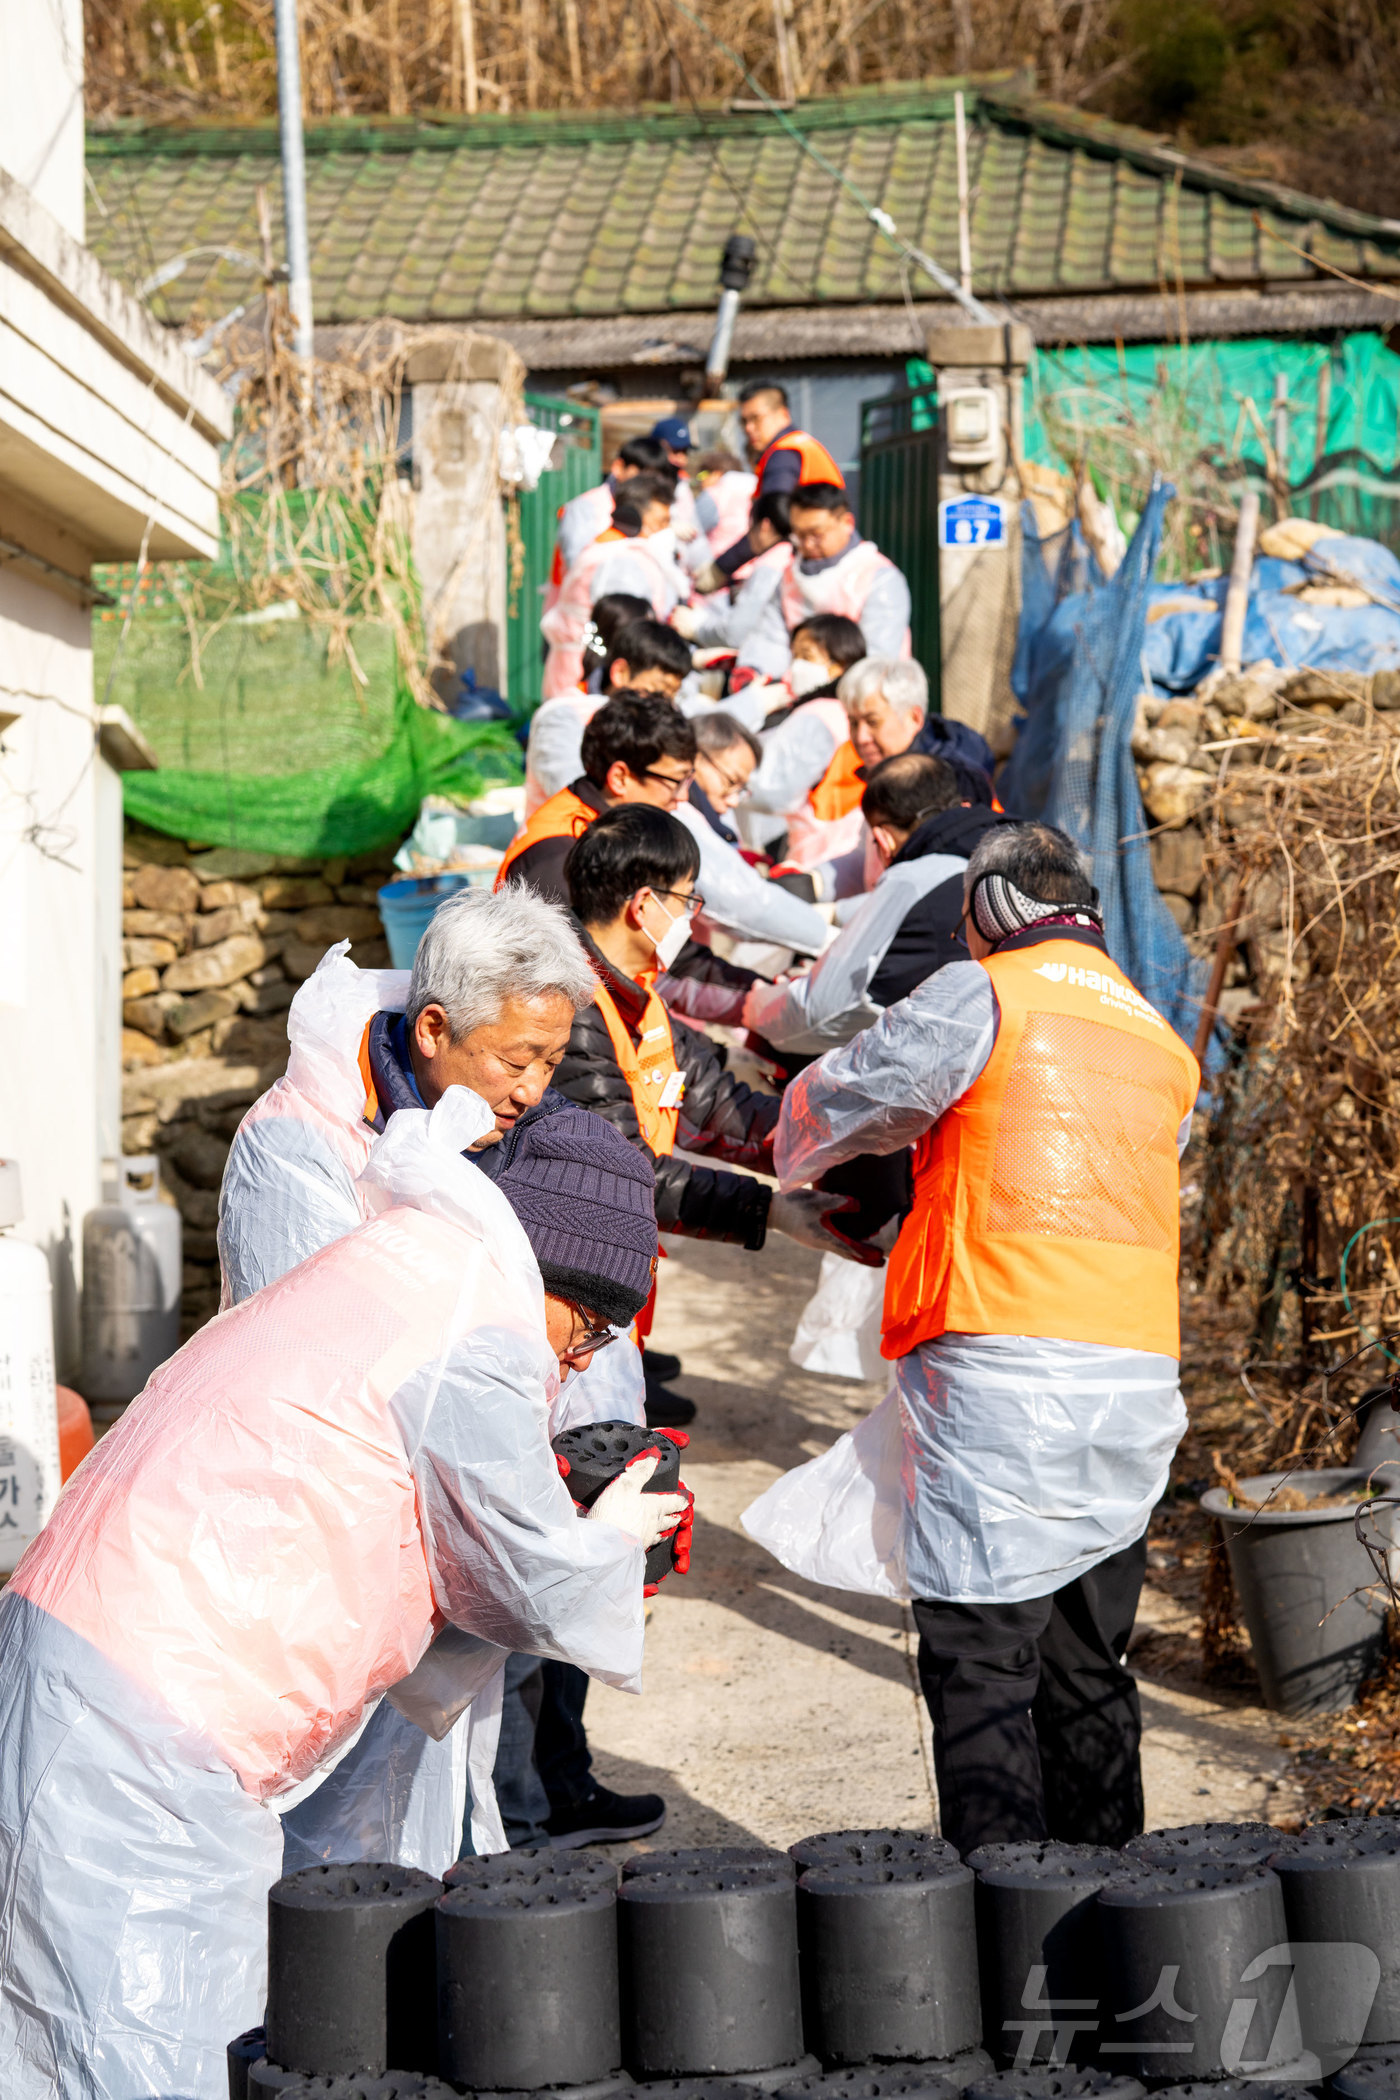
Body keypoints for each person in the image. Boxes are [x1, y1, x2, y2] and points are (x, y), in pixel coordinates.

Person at [0, 1084, 686, 2096]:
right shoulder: (478, 1327)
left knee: (77, 2020)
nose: (576, 1360)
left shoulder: (403, 1264)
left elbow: (434, 1563)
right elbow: (527, 1584)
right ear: (548, 1268)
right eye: (585, 1330)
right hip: (149, 1708)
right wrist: (609, 1540)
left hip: (98, 1651)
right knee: (145, 2045)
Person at [758, 822, 1200, 1855]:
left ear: (987, 915)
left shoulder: (987, 991)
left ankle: (1005, 1931)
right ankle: (1109, 1909)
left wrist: (794, 1149)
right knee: (1089, 1660)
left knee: (981, 1656)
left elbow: (847, 1099)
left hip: (999, 1365)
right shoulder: (1156, 1036)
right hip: (1131, 1382)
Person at [741, 751, 1009, 1054]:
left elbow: (818, 1013)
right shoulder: (1014, 851)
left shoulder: (909, 880)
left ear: (882, 840)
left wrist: (758, 1006)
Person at [498, 691, 696, 904]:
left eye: (689, 780)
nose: (683, 797)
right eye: (676, 782)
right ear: (619, 778)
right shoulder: (562, 858)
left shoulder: (604, 821)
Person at [676, 711, 829, 960]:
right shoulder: (679, 815)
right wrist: (829, 938)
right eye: (730, 782)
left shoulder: (704, 815)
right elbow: (745, 902)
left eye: (741, 790)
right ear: (695, 757)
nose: (734, 800)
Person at [737, 616, 870, 876]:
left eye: (807, 656)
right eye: (794, 655)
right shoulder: (850, 714)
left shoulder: (816, 715)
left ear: (839, 666)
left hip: (814, 854)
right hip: (849, 848)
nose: (795, 666)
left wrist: (725, 781)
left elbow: (774, 791)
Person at [525, 618, 693, 815]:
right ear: (621, 672)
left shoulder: (649, 723)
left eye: (673, 695)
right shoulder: (562, 716)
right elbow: (575, 792)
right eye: (658, 691)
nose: (665, 704)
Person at [541, 473, 683, 698]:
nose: (666, 530)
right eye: (660, 522)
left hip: (576, 671)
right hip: (588, 680)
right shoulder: (622, 562)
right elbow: (629, 630)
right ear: (634, 518)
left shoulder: (611, 546)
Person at [708, 379, 844, 581]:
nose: (749, 428)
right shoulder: (799, 444)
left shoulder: (783, 453)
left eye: (756, 418)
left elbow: (776, 515)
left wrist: (720, 568)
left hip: (817, 561)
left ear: (783, 414)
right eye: (744, 421)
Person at [673, 490, 794, 689]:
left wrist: (698, 627)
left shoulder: (771, 565)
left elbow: (736, 631)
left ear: (764, 526)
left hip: (765, 675)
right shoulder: (793, 559)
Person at [780, 484, 912, 659]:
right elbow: (772, 637)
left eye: (816, 534)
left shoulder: (879, 577)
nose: (808, 544)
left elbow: (877, 658)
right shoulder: (788, 574)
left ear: (847, 523)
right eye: (799, 535)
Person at [842, 654, 997, 802]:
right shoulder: (850, 763)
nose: (861, 738)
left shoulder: (953, 787)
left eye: (873, 722)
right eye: (853, 723)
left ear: (914, 718)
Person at [554, 433, 673, 576]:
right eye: (641, 476)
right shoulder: (586, 508)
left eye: (655, 478)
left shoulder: (655, 508)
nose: (647, 485)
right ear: (618, 467)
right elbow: (578, 566)